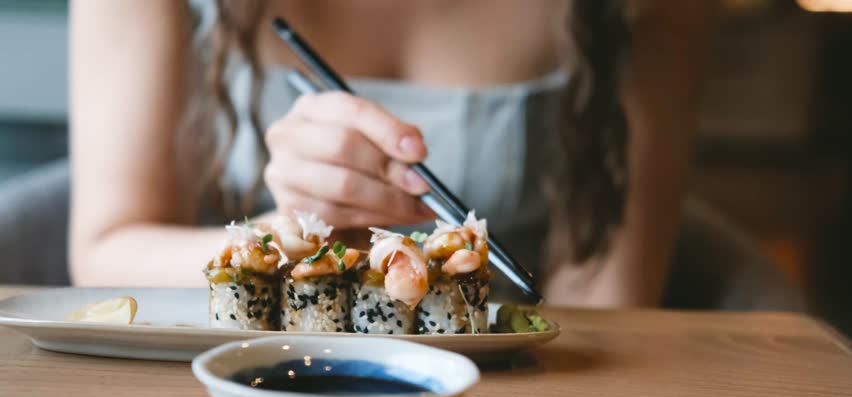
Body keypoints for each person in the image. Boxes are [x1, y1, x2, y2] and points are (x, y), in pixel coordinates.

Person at [69, 0, 715, 307]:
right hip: (246, 377)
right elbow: (106, 251)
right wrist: (288, 241)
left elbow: (608, 298)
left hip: (517, 389)